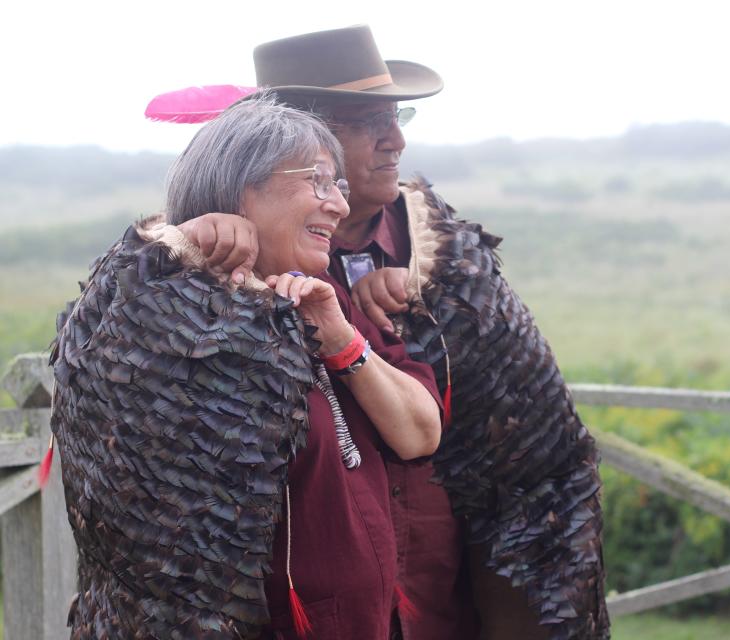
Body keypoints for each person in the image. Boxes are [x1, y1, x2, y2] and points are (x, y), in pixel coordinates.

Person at [171, 25, 610, 640]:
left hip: (447, 594)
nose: (396, 139)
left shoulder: (446, 260)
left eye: (395, 114)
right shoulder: (212, 269)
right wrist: (212, 246)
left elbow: (525, 444)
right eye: (365, 120)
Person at [51, 95, 442, 639]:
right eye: (319, 181)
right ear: (240, 188)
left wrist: (341, 341)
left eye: (340, 187)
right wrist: (182, 245)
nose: (337, 206)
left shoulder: (326, 297)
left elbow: (419, 434)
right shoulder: (167, 319)